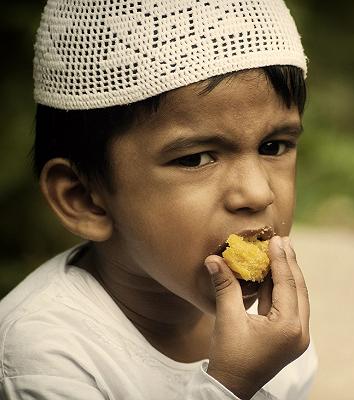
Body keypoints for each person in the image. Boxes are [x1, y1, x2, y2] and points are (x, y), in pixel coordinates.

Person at [0, 0, 317, 399]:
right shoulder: (42, 360)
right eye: (196, 158)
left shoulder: (273, 325)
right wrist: (231, 386)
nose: (258, 193)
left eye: (273, 146)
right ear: (84, 199)